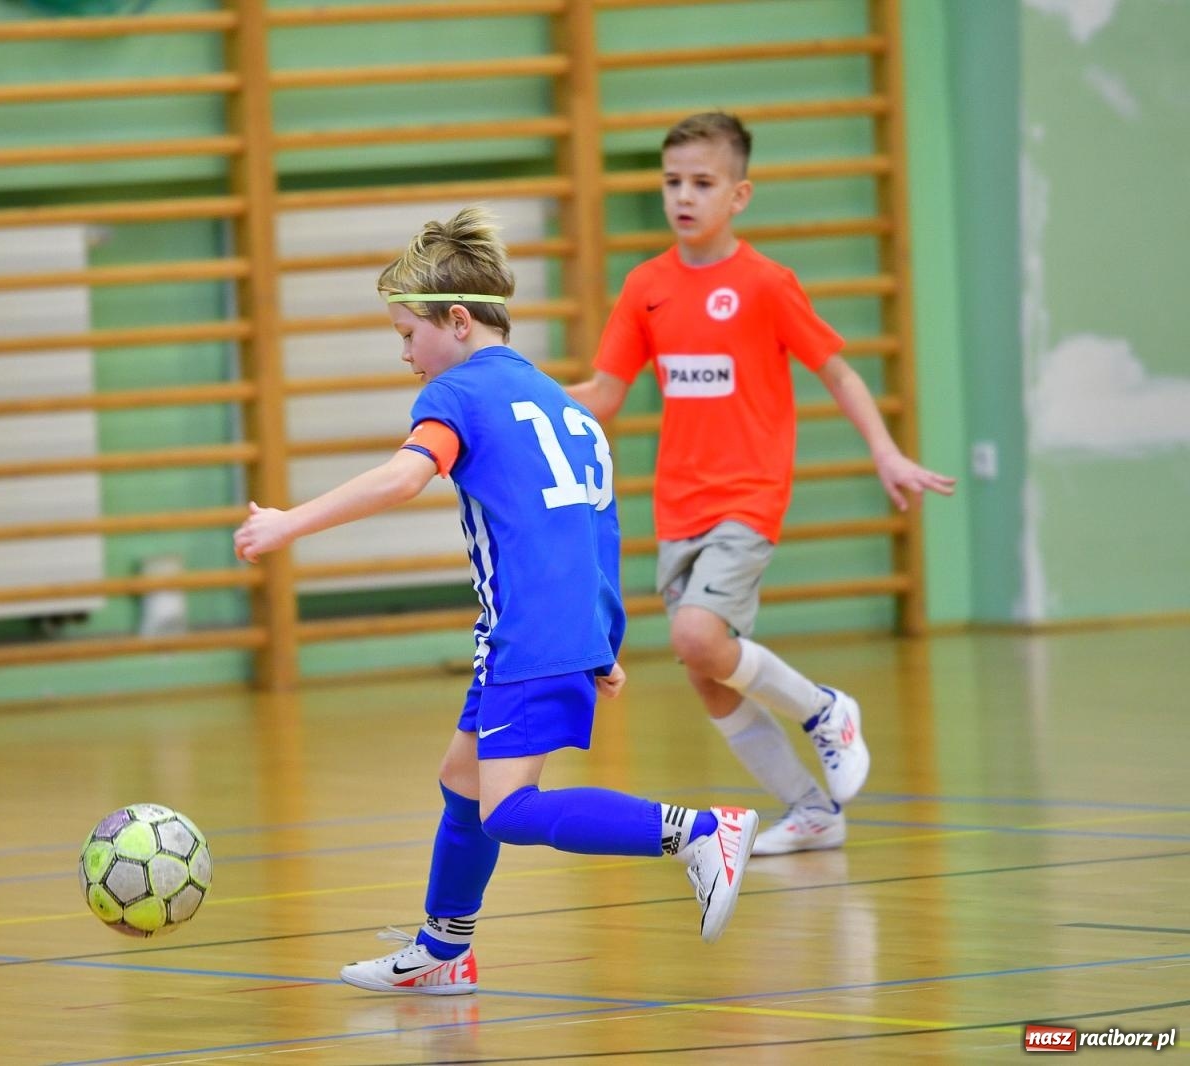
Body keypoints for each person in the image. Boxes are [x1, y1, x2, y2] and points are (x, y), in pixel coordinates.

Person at [234, 206, 759, 995]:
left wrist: (288, 524)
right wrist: (602, 639)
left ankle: (697, 832)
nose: (405, 355)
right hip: (554, 623)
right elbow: (592, 526)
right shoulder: (559, 400)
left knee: (506, 810)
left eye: (408, 334)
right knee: (463, 780)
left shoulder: (462, 393)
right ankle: (444, 952)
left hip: (529, 630)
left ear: (457, 321)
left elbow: (405, 476)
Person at [568, 113, 957, 855]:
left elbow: (837, 371)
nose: (683, 196)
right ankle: (812, 810)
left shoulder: (766, 284)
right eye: (672, 182)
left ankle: (824, 710)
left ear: (739, 194)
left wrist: (885, 452)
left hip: (748, 496)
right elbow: (607, 393)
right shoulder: (646, 286)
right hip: (677, 504)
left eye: (702, 183)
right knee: (707, 671)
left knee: (695, 635)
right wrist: (523, 398)